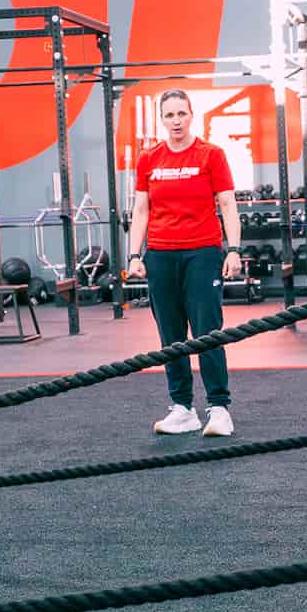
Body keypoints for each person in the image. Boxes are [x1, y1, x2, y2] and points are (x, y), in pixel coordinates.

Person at [125, 89, 243, 437]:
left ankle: (219, 408)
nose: (176, 121)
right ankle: (182, 408)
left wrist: (233, 249)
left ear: (192, 116)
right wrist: (134, 255)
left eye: (181, 114)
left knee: (207, 330)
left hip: (202, 253)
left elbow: (228, 205)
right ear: (161, 119)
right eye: (169, 115)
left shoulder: (212, 155)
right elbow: (141, 209)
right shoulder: (149, 159)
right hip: (160, 255)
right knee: (171, 334)